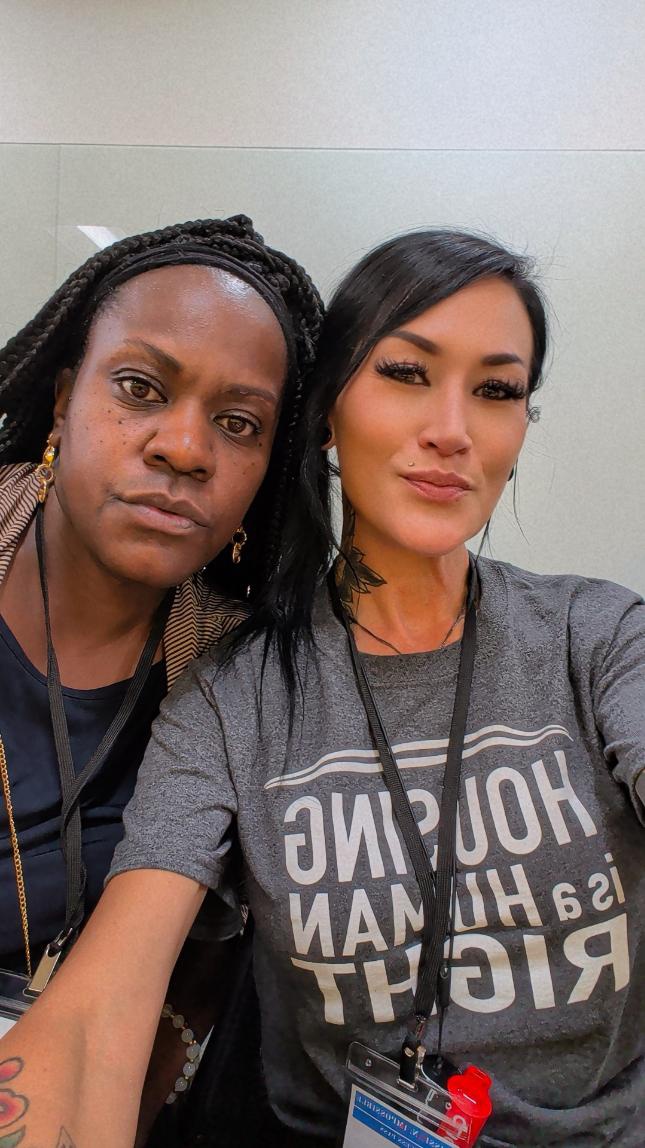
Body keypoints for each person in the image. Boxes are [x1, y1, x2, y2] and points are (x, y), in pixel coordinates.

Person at [1, 229, 643, 1148]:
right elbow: (103, 1007)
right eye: (407, 373)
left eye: (497, 390)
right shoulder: (234, 690)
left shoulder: (598, 637)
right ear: (328, 413)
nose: (452, 429)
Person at [0, 214, 322, 1126]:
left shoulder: (241, 673)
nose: (184, 448)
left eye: (237, 423)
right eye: (140, 388)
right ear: (63, 397)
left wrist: (132, 1094)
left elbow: (211, 956)